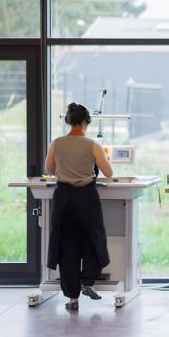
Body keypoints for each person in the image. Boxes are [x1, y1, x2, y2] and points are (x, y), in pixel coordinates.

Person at [44, 103, 114, 312]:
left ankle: (72, 299)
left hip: (64, 198)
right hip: (87, 199)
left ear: (68, 120)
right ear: (86, 122)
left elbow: (49, 169)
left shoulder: (55, 143)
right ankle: (88, 283)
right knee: (93, 239)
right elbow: (108, 172)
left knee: (67, 248)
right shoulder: (92, 145)